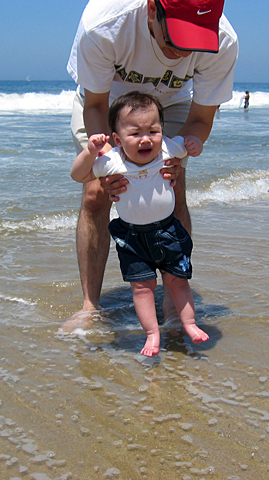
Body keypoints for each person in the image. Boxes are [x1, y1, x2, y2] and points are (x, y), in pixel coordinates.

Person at [65, 0, 238, 329]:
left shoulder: (224, 40)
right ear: (151, 10)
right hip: (107, 103)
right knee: (95, 194)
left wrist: (174, 157)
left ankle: (174, 303)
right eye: (174, 39)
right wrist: (107, 160)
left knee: (173, 187)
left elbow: (201, 118)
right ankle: (90, 305)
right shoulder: (104, 23)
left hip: (170, 105)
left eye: (193, 42)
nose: (180, 53)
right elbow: (96, 104)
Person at [71, 92, 209, 356]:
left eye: (153, 131)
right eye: (135, 134)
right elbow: (78, 175)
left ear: (162, 132)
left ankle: (189, 323)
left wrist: (194, 145)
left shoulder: (169, 147)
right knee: (143, 289)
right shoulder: (112, 161)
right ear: (117, 140)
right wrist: (90, 152)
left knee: (179, 281)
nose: (146, 139)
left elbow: (196, 143)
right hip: (133, 239)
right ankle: (152, 333)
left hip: (169, 231)